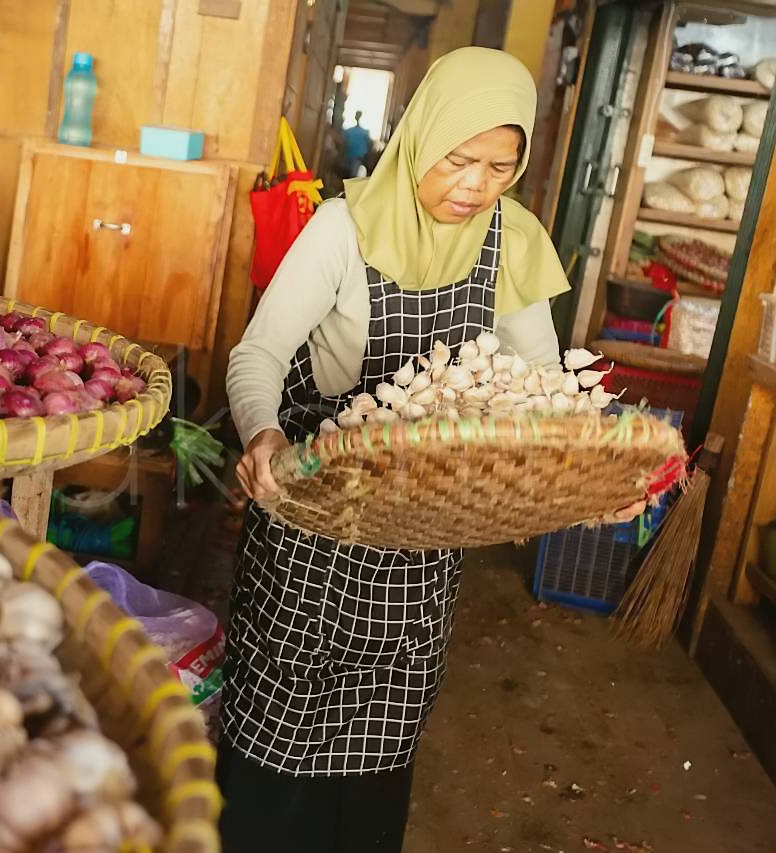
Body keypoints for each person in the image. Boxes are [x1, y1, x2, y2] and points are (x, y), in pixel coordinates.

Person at [221, 48, 643, 852]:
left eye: (499, 166)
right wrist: (264, 431)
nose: (474, 185)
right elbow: (259, 354)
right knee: (277, 742)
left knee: (377, 753)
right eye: (458, 158)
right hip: (312, 522)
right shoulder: (345, 227)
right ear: (421, 137)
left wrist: (593, 474)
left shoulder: (509, 240)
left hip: (418, 549)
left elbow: (545, 392)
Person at [340, 110, 372, 178]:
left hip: (349, 157)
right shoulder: (365, 133)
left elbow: (343, 143)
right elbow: (369, 145)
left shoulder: (348, 131)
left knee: (349, 175)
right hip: (357, 158)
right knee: (353, 176)